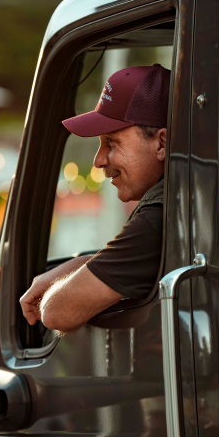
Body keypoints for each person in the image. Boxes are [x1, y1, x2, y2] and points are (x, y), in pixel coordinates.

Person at [19, 64, 170, 333]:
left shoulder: (159, 216)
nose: (99, 160)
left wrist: (80, 265)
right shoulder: (178, 199)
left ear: (161, 144)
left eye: (112, 142)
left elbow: (56, 313)